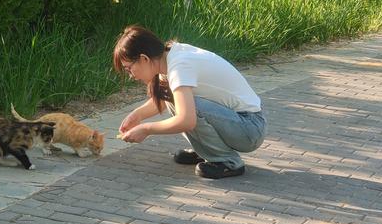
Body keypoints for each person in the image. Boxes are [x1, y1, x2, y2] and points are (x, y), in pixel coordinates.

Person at [113, 25, 267, 179]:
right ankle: (208, 151)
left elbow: (186, 120)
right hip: (240, 123)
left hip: (250, 128)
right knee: (175, 99)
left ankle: (228, 162)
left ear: (143, 59)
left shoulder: (179, 66)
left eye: (129, 69)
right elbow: (164, 100)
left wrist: (146, 129)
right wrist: (137, 115)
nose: (131, 76)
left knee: (190, 108)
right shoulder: (169, 57)